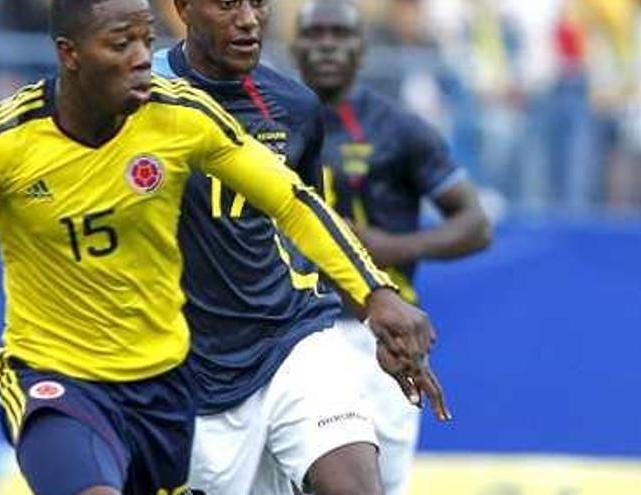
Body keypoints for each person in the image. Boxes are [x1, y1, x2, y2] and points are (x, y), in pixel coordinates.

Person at [0, 1, 442, 494]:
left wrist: (375, 293)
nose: (144, 57)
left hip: (200, 371)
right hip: (62, 376)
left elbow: (293, 201)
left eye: (145, 39)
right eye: (122, 44)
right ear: (69, 54)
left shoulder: (185, 117)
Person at [153, 1, 449, 494]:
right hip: (189, 364)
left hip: (291, 338)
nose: (249, 19)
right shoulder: (141, 96)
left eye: (259, 3)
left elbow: (301, 218)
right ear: (182, 8)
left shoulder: (292, 106)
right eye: (228, 4)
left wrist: (378, 305)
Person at [292, 1, 493, 494]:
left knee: (376, 484)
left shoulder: (399, 129)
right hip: (292, 331)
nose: (327, 46)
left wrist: (391, 245)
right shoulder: (267, 119)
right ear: (294, 46)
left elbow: (476, 223)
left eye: (339, 34)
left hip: (377, 337)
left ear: (363, 48)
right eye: (314, 35)